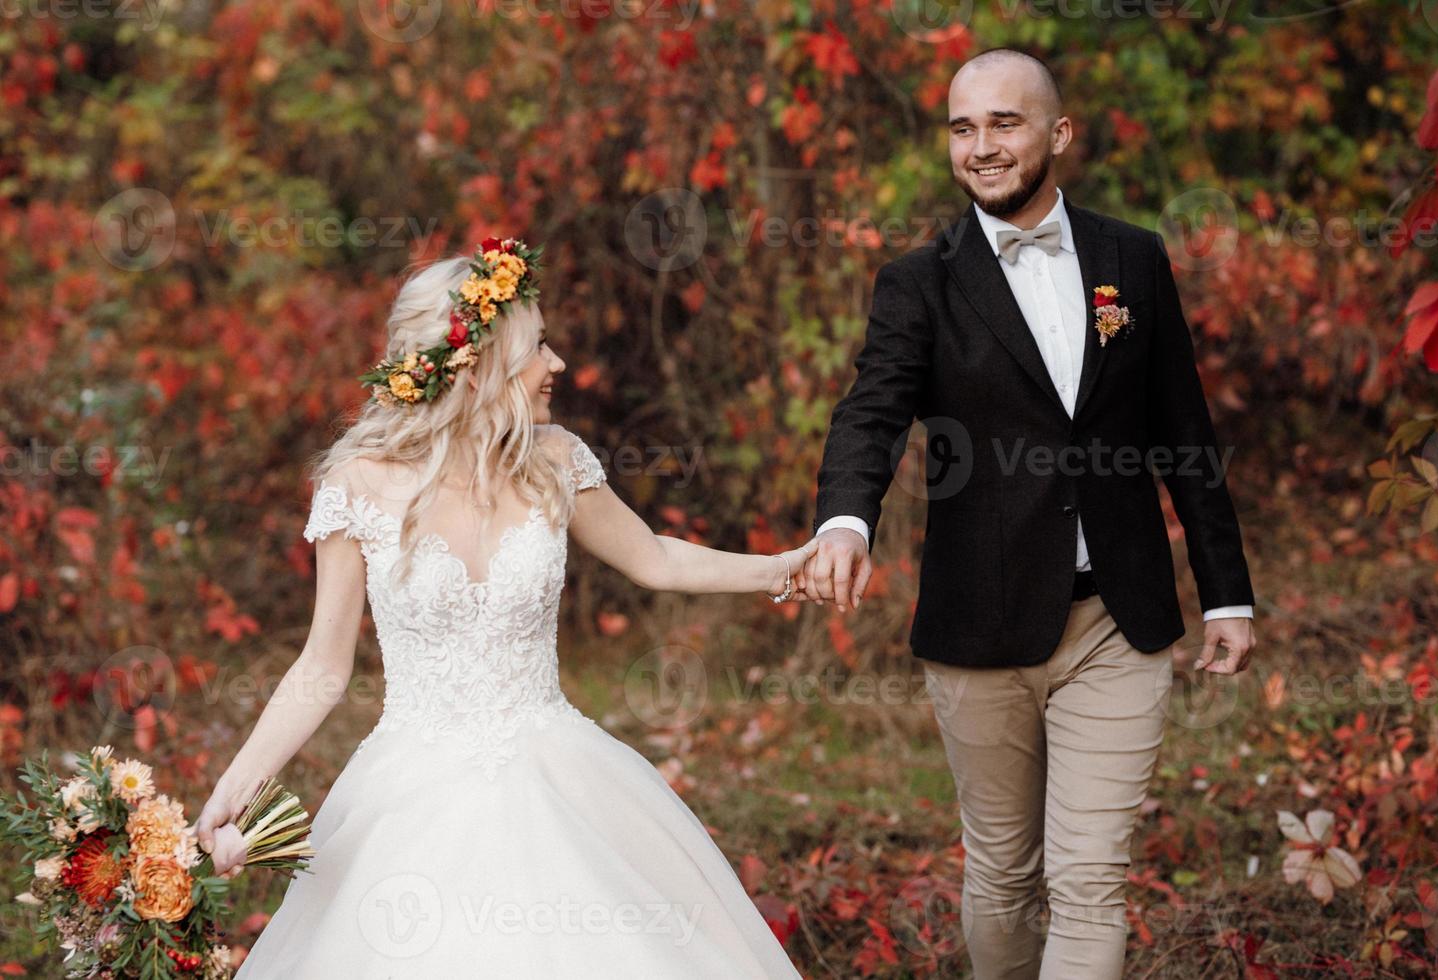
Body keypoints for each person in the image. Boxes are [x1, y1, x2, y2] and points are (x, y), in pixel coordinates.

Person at [191, 238, 810, 978]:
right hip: (410, 793)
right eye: (538, 347)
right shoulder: (357, 483)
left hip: (560, 771)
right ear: (477, 363)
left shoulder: (554, 462)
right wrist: (232, 793)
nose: (558, 365)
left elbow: (657, 557)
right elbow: (323, 667)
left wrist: (783, 569)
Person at [798, 48, 1259, 980]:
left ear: (1058, 133)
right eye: (963, 128)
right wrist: (846, 520)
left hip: (1117, 624)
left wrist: (1227, 595)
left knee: (1092, 879)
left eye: (1004, 123)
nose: (981, 146)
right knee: (1005, 874)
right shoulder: (917, 280)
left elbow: (1184, 431)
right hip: (980, 624)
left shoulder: (1133, 256)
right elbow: (872, 411)